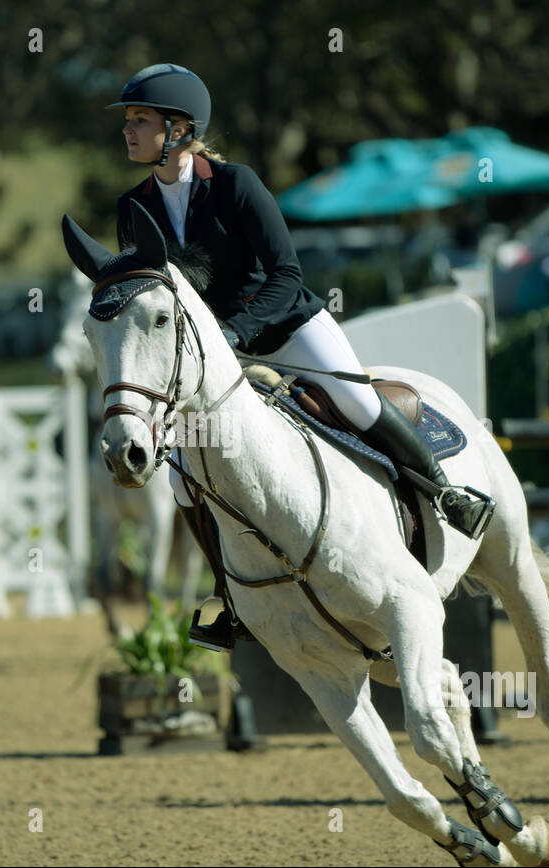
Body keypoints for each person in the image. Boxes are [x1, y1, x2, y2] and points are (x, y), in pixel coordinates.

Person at [106, 63, 496, 651]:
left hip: (287, 325)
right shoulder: (133, 207)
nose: (129, 131)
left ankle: (446, 493)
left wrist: (236, 331)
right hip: (213, 358)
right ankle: (227, 596)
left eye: (141, 120)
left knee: (358, 402)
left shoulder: (237, 186)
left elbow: (287, 275)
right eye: (130, 121)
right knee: (186, 476)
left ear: (180, 129)